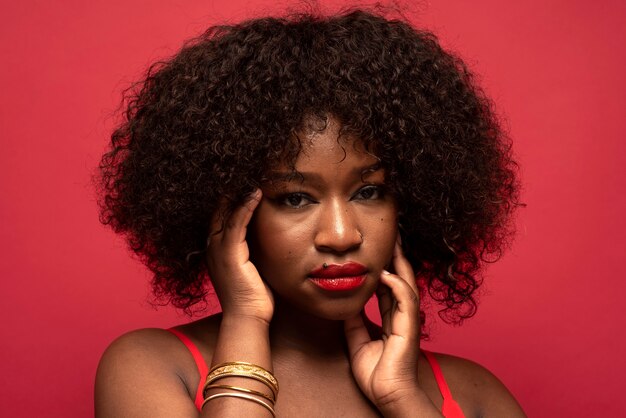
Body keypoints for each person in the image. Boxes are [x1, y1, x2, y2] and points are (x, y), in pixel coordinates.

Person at [95, 8, 526, 417]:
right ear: (227, 211)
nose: (341, 235)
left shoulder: (475, 396)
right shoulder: (154, 367)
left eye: (370, 191)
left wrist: (402, 399)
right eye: (295, 198)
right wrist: (245, 323)